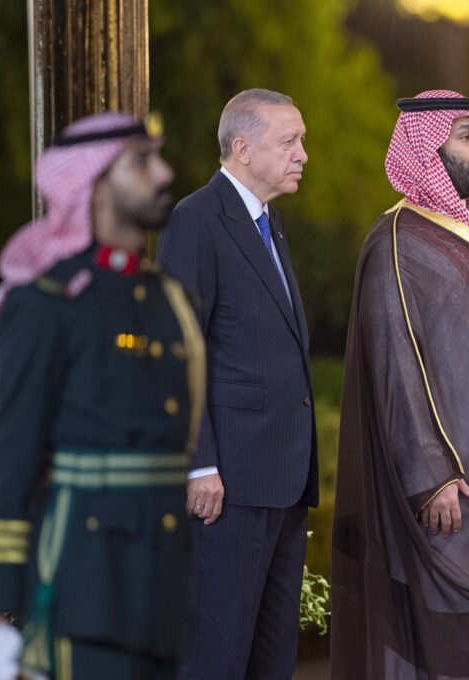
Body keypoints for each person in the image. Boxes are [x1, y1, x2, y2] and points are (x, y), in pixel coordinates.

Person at [0, 112, 203, 680]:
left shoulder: (165, 295)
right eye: (142, 162)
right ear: (92, 184)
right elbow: (11, 458)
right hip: (83, 582)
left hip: (162, 585)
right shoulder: (48, 302)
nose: (164, 173)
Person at [330, 90, 469, 680]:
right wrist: (432, 474)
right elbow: (394, 361)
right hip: (452, 483)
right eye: (468, 136)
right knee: (441, 631)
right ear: (429, 148)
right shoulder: (397, 240)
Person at [157, 88, 318, 680]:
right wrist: (199, 464)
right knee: (216, 660)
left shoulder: (268, 224)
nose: (303, 154)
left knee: (269, 663)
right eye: (289, 142)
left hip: (281, 481)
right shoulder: (197, 220)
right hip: (228, 489)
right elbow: (179, 349)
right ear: (243, 148)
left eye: (301, 140)